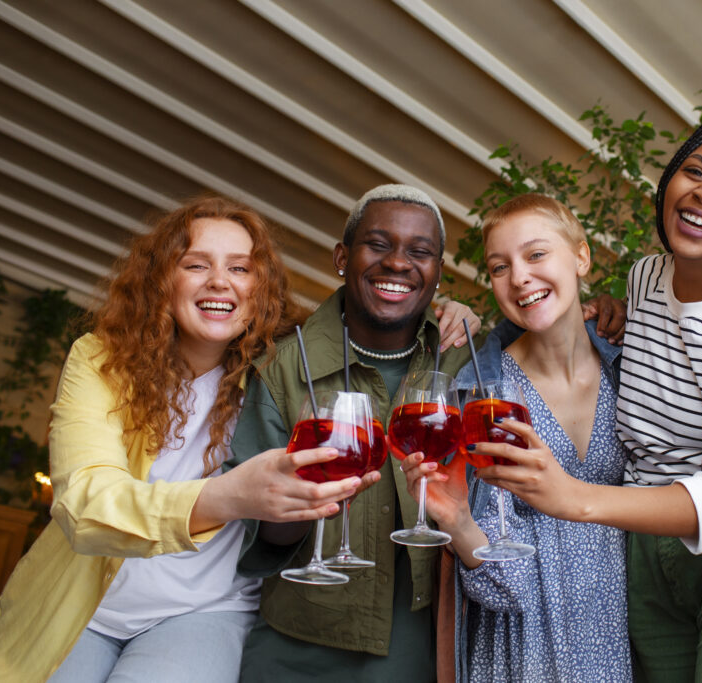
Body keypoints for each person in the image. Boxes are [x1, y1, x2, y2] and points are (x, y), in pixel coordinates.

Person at [474, 118, 702, 681]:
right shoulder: (646, 281)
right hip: (651, 561)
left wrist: (574, 498)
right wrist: (606, 311)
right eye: (695, 171)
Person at [228, 184, 626, 682]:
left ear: (438, 273)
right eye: (378, 244)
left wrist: (608, 312)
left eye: (420, 253)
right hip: (301, 645)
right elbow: (253, 531)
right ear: (341, 257)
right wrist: (292, 496)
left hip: (426, 650)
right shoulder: (286, 367)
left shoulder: (466, 361)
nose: (398, 263)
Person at [0, 196, 366, 683]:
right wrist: (227, 497)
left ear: (261, 289)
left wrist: (449, 317)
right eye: (195, 264)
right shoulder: (101, 358)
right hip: (79, 600)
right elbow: (85, 502)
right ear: (161, 281)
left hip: (205, 610)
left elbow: (370, 328)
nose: (219, 281)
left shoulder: (284, 367)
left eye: (240, 268)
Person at [400, 193, 631, 682]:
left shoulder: (628, 368)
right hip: (515, 648)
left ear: (582, 256)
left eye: (536, 254)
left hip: (614, 641)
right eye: (499, 267)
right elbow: (497, 575)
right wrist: (460, 524)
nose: (520, 276)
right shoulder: (483, 392)